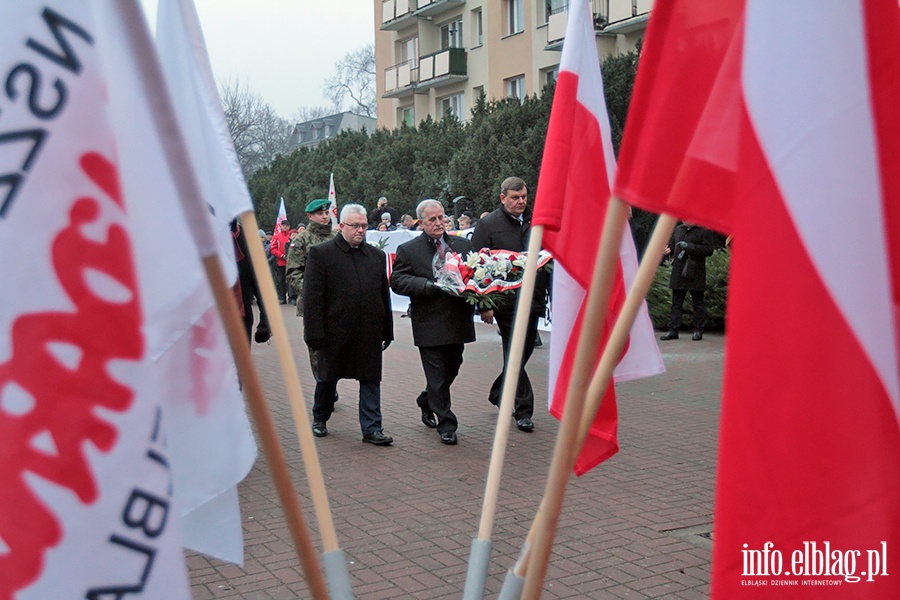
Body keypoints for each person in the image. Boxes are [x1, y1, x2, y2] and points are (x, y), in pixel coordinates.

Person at [303, 204, 394, 445]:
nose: (361, 230)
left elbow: (382, 295)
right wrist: (314, 333)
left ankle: (372, 428)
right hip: (334, 331)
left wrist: (388, 329)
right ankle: (320, 417)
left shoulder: (376, 256)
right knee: (327, 377)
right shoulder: (321, 254)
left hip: (368, 330)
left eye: (364, 226)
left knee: (371, 378)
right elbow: (313, 298)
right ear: (342, 226)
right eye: (356, 226)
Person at [390, 199, 476, 445]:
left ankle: (426, 399)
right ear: (421, 223)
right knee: (437, 374)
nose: (439, 223)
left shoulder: (462, 245)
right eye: (432, 219)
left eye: (442, 218)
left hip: (457, 318)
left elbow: (476, 275)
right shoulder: (409, 250)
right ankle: (446, 423)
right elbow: (397, 280)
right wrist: (426, 286)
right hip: (428, 320)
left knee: (453, 365)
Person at [471, 176, 550, 432]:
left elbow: (547, 258)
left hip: (534, 299)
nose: (521, 202)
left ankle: (498, 391)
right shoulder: (488, 225)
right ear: (502, 198)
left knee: (525, 349)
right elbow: (477, 265)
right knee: (514, 349)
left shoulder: (536, 221)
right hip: (505, 301)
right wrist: (484, 303)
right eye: (515, 197)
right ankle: (523, 409)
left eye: (524, 197)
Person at [287, 199, 337, 387]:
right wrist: (311, 291)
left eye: (326, 213)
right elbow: (293, 272)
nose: (325, 217)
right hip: (313, 303)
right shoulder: (301, 239)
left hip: (337, 301)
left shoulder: (336, 237)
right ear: (310, 216)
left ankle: (331, 383)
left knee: (335, 346)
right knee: (316, 348)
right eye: (320, 214)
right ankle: (323, 385)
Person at [660, 222, 715, 341]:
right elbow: (674, 245)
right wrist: (669, 249)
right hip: (679, 271)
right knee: (676, 303)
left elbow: (709, 250)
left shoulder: (704, 229)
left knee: (697, 303)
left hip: (695, 271)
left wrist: (689, 246)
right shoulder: (679, 229)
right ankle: (673, 330)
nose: (684, 220)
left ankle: (698, 330)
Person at [270, 219, 291, 303]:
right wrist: (281, 255)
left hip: (291, 262)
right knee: (281, 280)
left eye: (286, 225)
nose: (285, 227)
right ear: (281, 226)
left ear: (289, 227)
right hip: (281, 262)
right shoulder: (276, 236)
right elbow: (273, 249)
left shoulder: (291, 236)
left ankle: (292, 297)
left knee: (291, 280)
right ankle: (282, 297)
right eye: (283, 225)